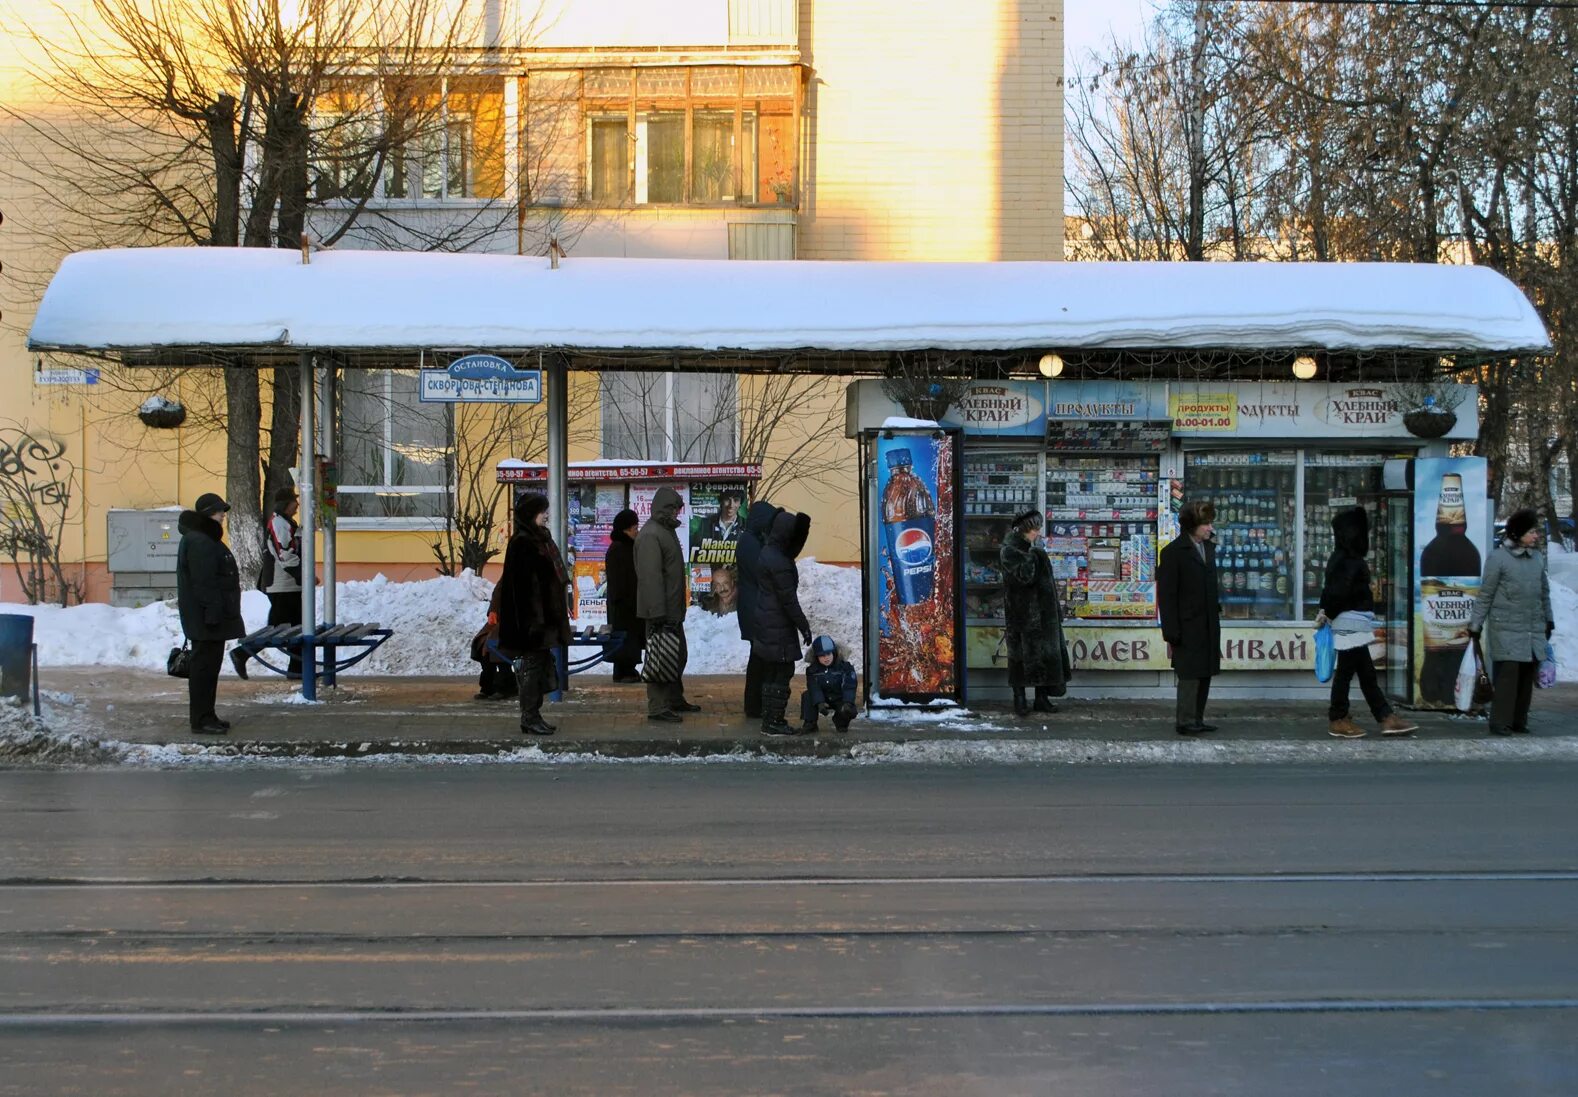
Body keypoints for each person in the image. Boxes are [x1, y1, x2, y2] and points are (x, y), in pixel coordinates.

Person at [1314, 507, 1418, 738]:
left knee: (1362, 672)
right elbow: (1338, 593)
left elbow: (1333, 593)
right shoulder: (1349, 560)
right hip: (1351, 622)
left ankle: (1383, 716)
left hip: (1353, 622)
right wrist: (1328, 612)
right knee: (1349, 672)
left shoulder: (1343, 558)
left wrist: (1327, 613)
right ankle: (1341, 717)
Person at [1469, 508, 1554, 736]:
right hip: (1505, 628)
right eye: (1532, 532)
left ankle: (1519, 720)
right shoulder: (1498, 558)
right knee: (1508, 676)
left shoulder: (1536, 557)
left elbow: (1544, 591)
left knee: (1527, 676)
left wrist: (1549, 619)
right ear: (1518, 534)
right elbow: (1485, 593)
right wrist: (1475, 625)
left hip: (1531, 628)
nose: (1536, 536)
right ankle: (1500, 722)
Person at [496, 493, 572, 735]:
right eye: (542, 511)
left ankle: (533, 714)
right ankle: (529, 716)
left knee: (538, 665)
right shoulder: (522, 543)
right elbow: (519, 588)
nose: (546, 515)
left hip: (544, 617)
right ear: (531, 514)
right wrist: (533, 622)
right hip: (531, 620)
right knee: (531, 666)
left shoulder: (541, 539)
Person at [175, 492, 245, 735]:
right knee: (204, 669)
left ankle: (208, 715)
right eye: (219, 511)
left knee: (209, 668)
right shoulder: (200, 541)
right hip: (206, 618)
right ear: (207, 514)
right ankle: (201, 719)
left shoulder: (203, 538)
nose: (223, 515)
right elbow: (204, 582)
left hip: (208, 617)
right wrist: (213, 612)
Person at [1157, 499, 1222, 736]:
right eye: (1205, 523)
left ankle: (1197, 717)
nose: (1210, 528)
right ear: (1193, 525)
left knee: (1204, 672)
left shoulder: (1208, 549)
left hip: (1207, 623)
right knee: (1189, 674)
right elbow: (1167, 596)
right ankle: (1185, 720)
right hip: (1187, 625)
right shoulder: (1174, 553)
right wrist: (1171, 633)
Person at [635, 487, 699, 722]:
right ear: (664, 508)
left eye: (678, 509)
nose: (677, 513)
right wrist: (658, 612)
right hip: (660, 611)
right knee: (660, 658)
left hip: (670, 610)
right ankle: (658, 706)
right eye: (674, 509)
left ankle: (673, 698)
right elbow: (651, 577)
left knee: (677, 655)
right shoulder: (652, 534)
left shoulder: (663, 531)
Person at [999, 509, 1069, 717]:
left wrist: (1056, 610)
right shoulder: (1009, 550)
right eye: (1034, 530)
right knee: (1021, 658)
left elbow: (1047, 585)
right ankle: (1019, 699)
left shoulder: (1032, 549)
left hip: (1044, 614)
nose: (1037, 534)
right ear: (1024, 530)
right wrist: (1036, 554)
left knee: (1045, 657)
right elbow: (1025, 576)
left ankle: (1041, 698)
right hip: (1023, 615)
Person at [234, 485, 305, 680]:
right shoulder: (279, 524)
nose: (297, 504)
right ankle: (242, 653)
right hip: (282, 585)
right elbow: (285, 553)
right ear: (286, 504)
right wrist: (302, 575)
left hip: (289, 584)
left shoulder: (287, 523)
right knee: (278, 628)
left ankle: (297, 669)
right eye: (294, 501)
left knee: (297, 627)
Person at [753, 509, 814, 735]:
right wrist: (803, 626)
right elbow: (789, 601)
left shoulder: (768, 552)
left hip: (767, 620)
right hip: (777, 624)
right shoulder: (780, 562)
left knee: (772, 671)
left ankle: (770, 719)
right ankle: (773, 721)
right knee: (781, 671)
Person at [735, 499, 782, 718]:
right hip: (755, 609)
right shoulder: (750, 542)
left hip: (755, 606)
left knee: (759, 657)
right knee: (759, 658)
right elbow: (763, 572)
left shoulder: (753, 539)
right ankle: (754, 705)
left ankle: (755, 704)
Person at [604, 508, 644, 683]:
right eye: (634, 527)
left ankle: (626, 669)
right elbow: (620, 579)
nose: (637, 530)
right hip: (624, 602)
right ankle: (624, 670)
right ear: (625, 529)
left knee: (629, 637)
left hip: (627, 601)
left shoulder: (626, 547)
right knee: (625, 637)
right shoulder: (620, 549)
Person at [469, 581, 518, 701]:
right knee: (482, 642)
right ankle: (488, 685)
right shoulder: (510, 572)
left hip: (519, 622)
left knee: (497, 644)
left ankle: (506, 686)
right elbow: (498, 592)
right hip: (502, 619)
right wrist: (493, 611)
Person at [800, 634, 858, 734]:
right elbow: (814, 686)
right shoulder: (812, 670)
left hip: (839, 697)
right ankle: (810, 723)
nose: (826, 658)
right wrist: (819, 702)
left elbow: (850, 686)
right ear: (816, 657)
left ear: (834, 653)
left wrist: (847, 702)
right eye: (822, 655)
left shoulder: (845, 667)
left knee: (850, 710)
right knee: (807, 695)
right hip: (823, 697)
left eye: (828, 654)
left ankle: (840, 722)